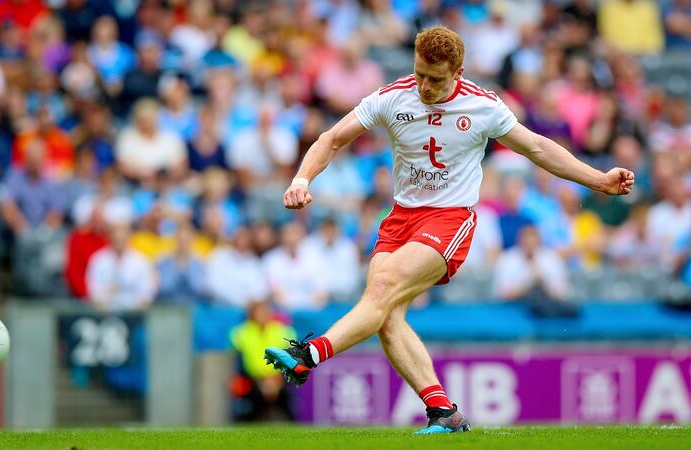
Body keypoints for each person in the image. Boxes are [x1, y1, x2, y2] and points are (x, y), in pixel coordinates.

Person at [263, 26, 635, 435]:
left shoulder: (483, 106)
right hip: (399, 218)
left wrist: (598, 180)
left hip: (449, 219)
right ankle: (444, 412)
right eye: (420, 73)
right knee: (384, 315)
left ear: (458, 71)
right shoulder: (393, 96)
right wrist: (301, 179)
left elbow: (538, 148)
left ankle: (308, 355)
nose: (424, 85)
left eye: (435, 79)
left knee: (382, 288)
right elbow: (332, 138)